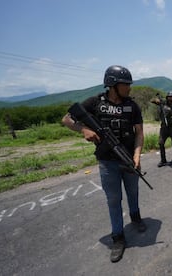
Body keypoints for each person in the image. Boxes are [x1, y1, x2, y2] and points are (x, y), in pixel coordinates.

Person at [62, 65, 147, 263]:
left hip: (129, 160)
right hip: (108, 163)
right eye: (126, 84)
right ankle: (118, 237)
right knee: (113, 200)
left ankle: (135, 217)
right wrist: (83, 129)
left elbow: (139, 134)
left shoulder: (132, 106)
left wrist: (137, 156)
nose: (129, 88)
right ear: (113, 85)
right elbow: (66, 119)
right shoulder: (94, 103)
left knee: (133, 192)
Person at [150, 91, 172, 167]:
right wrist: (156, 100)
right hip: (164, 127)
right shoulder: (162, 102)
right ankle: (163, 160)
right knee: (161, 143)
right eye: (169, 97)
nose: (170, 98)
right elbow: (152, 100)